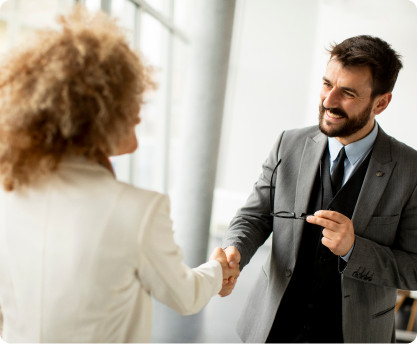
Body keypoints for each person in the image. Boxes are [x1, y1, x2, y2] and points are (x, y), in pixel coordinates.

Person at [0, 6, 239, 344]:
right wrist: (219, 271)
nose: (139, 114)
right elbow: (185, 295)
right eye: (131, 102)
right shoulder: (139, 210)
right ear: (97, 113)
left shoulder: (9, 188)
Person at [220, 35, 417, 344]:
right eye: (327, 84)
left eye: (347, 92)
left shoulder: (410, 170)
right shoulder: (289, 142)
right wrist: (235, 251)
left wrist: (355, 250)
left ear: (381, 102)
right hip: (273, 329)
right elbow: (255, 217)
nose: (329, 101)